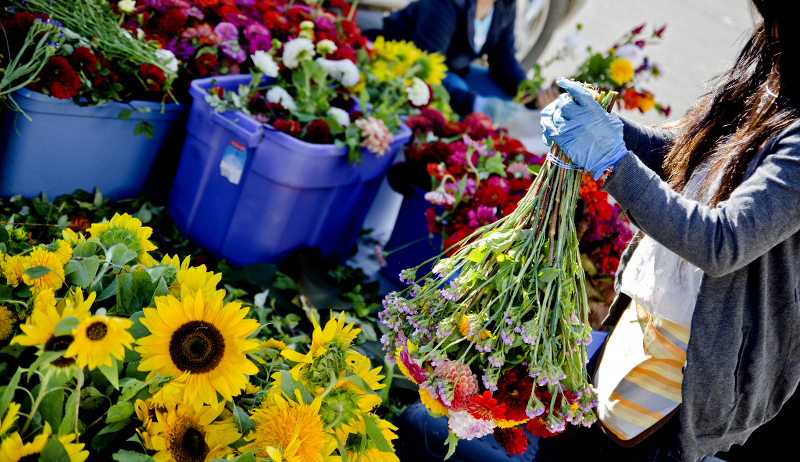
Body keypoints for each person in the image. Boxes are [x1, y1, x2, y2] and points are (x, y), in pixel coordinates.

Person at [537, 1, 800, 461]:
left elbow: (723, 242)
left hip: (690, 373)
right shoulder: (772, 60)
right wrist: (610, 131)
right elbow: (696, 160)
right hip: (642, 328)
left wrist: (610, 160)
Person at [380, 0, 557, 120]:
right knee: (465, 97)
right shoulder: (445, 4)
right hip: (404, 66)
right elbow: (424, 71)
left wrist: (533, 95)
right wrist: (474, 103)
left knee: (509, 99)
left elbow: (503, 60)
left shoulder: (505, 5)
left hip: (452, 67)